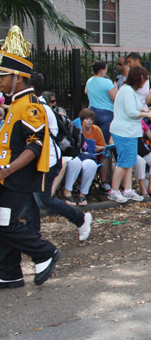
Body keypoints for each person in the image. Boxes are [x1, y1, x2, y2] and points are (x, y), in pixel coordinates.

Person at [0, 27, 63, 288]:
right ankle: (10, 272)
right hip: (9, 177)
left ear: (17, 77)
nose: (0, 80)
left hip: (18, 178)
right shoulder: (15, 103)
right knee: (5, 222)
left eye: (3, 75)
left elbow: (34, 146)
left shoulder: (31, 105)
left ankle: (44, 252)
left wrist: (7, 170)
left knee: (4, 223)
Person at [23, 74, 92, 242]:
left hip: (47, 160)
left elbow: (45, 136)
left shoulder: (39, 108)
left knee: (44, 200)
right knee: (29, 198)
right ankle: (32, 236)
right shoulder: (35, 105)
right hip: (38, 161)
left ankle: (81, 219)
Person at [109, 65, 151, 203]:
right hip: (124, 131)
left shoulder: (129, 91)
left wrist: (147, 112)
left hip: (129, 132)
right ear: (140, 78)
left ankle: (128, 190)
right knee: (123, 162)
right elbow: (131, 113)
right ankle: (114, 191)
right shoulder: (127, 91)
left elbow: (136, 108)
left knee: (129, 162)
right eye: (145, 79)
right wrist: (146, 114)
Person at [85, 60, 117, 144]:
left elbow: (86, 91)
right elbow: (115, 98)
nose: (106, 72)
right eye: (105, 69)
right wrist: (116, 88)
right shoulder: (107, 82)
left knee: (93, 138)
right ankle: (105, 156)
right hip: (106, 112)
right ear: (101, 70)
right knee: (104, 141)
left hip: (92, 111)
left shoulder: (89, 81)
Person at [133, 120, 151, 197]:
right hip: (131, 152)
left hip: (143, 151)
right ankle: (143, 189)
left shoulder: (141, 122)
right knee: (140, 161)